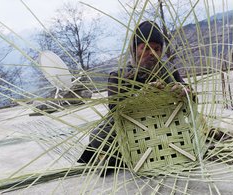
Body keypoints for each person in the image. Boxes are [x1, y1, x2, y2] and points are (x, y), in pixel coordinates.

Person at [77, 21, 189, 175]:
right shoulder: (119, 76)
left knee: (190, 128)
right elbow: (115, 110)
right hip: (132, 128)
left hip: (164, 125)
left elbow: (187, 94)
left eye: (157, 49)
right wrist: (140, 98)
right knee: (99, 135)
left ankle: (128, 155)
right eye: (146, 48)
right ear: (135, 50)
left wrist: (184, 91)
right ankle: (127, 154)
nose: (152, 53)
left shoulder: (168, 71)